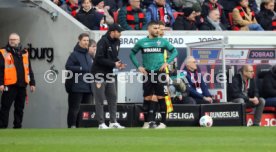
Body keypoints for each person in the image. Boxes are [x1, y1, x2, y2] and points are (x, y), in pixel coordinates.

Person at [130, 21, 178, 128]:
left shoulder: (163, 41)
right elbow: (132, 54)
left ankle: (163, 123)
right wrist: (138, 66)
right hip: (147, 73)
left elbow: (175, 51)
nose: (157, 30)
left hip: (159, 73)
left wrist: (167, 62)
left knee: (161, 97)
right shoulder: (142, 42)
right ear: (149, 29)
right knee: (147, 98)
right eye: (155, 28)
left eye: (158, 28)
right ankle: (147, 122)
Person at [91, 24, 126, 129]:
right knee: (100, 99)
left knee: (113, 97)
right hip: (98, 73)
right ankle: (101, 123)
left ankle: (113, 122)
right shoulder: (103, 41)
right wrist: (113, 64)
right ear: (113, 32)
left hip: (109, 73)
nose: (120, 34)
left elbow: (113, 57)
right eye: (119, 32)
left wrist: (118, 63)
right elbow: (99, 59)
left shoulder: (117, 41)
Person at [0, 33, 36, 129]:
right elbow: (0, 69)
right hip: (9, 85)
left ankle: (17, 127)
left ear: (19, 41)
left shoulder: (24, 52)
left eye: (15, 39)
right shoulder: (3, 52)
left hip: (22, 85)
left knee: (20, 108)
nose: (12, 41)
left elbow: (29, 69)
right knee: (5, 107)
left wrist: (32, 83)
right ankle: (2, 127)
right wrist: (1, 83)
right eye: (11, 39)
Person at [65, 33, 93, 128]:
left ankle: (83, 126)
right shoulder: (74, 54)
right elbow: (68, 66)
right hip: (76, 87)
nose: (86, 42)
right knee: (74, 109)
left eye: (87, 41)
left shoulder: (89, 55)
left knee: (86, 110)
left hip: (88, 87)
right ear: (79, 41)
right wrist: (81, 68)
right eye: (84, 40)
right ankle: (72, 126)